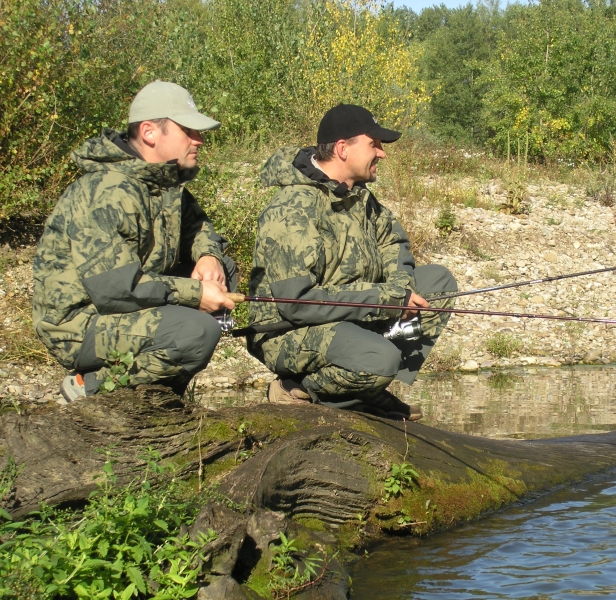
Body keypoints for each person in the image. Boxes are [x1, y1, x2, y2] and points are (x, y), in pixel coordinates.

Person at [246, 104, 457, 420]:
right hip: (290, 332)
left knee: (437, 283)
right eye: (374, 144)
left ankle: (366, 390)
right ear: (343, 149)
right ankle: (296, 387)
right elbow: (297, 304)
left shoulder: (360, 196)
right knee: (380, 359)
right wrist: (387, 300)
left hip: (351, 314)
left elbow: (393, 243)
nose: (382, 153)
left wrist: (400, 288)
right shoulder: (293, 209)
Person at [33, 81, 236, 403]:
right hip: (80, 325)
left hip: (123, 306)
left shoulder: (163, 185)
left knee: (224, 270)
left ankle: (163, 393)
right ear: (149, 132)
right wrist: (195, 294)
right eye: (188, 130)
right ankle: (91, 387)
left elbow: (198, 226)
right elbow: (116, 290)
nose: (198, 140)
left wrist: (208, 256)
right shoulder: (105, 192)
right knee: (196, 331)